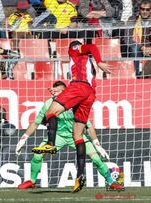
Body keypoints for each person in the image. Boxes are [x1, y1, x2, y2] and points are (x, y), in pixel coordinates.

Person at [31, 41, 112, 193]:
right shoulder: (87, 62)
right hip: (90, 94)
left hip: (79, 86)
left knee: (50, 112)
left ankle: (50, 143)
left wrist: (99, 61)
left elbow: (91, 46)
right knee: (78, 136)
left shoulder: (74, 50)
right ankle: (80, 176)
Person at [16, 81, 124, 191]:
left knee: (96, 158)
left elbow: (88, 126)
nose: (53, 92)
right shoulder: (48, 104)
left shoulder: (76, 103)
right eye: (53, 90)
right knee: (37, 156)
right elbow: (35, 123)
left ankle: (111, 182)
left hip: (77, 135)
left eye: (56, 91)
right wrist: (23, 139)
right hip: (58, 136)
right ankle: (32, 181)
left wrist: (97, 144)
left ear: (64, 92)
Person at [126, 0, 151, 77]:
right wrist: (142, 47)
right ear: (139, 9)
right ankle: (137, 76)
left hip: (149, 48)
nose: (144, 11)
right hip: (138, 47)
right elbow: (127, 38)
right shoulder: (133, 19)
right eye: (142, 9)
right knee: (134, 49)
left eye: (147, 9)